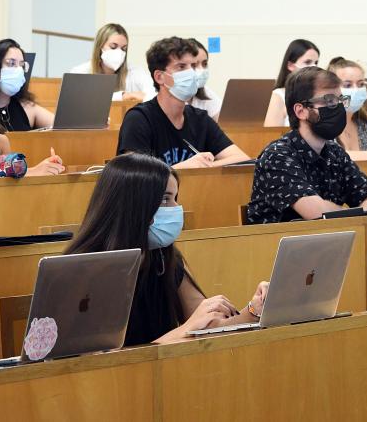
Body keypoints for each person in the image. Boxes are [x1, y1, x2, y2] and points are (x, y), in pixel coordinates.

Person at [64, 153, 269, 345]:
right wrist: (184, 331)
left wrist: (254, 310)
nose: (175, 209)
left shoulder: (164, 256)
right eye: (164, 199)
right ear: (134, 206)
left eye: (175, 198)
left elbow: (207, 325)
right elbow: (101, 362)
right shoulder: (84, 269)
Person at [247, 67, 367, 224]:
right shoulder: (277, 155)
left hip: (326, 241)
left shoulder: (335, 153)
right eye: (329, 100)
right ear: (301, 111)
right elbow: (316, 213)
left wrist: (340, 212)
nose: (339, 107)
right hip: (273, 245)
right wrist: (354, 212)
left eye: (340, 100)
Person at [116, 37, 249, 168]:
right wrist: (182, 169)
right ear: (159, 77)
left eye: (192, 66)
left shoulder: (200, 119)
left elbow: (242, 159)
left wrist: (204, 166)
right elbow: (134, 176)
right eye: (181, 67)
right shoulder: (139, 119)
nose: (191, 73)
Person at [69, 23, 156, 101]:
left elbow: (154, 94)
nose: (119, 52)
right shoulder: (80, 72)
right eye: (113, 47)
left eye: (123, 49)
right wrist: (124, 96)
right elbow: (77, 101)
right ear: (100, 47)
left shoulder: (134, 71)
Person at [0, 38, 54, 131]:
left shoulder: (26, 107)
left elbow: (64, 128)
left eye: (22, 65)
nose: (18, 70)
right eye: (11, 63)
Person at [263, 39, 320, 127]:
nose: (314, 67)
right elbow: (271, 135)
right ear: (290, 65)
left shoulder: (318, 94)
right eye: (307, 62)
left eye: (316, 62)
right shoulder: (280, 95)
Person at [188, 39, 220, 120]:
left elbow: (222, 123)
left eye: (204, 64)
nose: (201, 69)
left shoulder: (205, 93)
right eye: (194, 64)